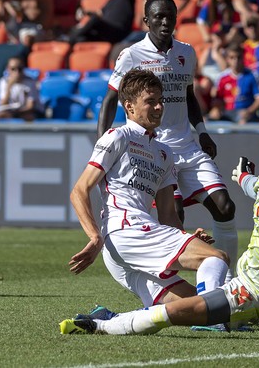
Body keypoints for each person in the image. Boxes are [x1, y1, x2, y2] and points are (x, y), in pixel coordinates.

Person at [59, 126, 259, 335]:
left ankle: (102, 324)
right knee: (188, 303)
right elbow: (254, 187)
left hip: (250, 298)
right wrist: (243, 177)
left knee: (170, 313)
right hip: (250, 280)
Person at [97, 0, 240, 283]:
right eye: (159, 16)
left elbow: (189, 96)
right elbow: (110, 99)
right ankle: (175, 287)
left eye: (170, 16)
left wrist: (202, 132)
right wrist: (103, 146)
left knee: (225, 207)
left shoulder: (186, 52)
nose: (165, 21)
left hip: (187, 146)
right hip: (153, 151)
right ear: (146, 21)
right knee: (172, 217)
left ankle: (229, 283)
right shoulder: (131, 55)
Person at [66, 68, 229, 310]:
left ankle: (105, 320)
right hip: (127, 232)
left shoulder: (165, 153)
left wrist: (185, 237)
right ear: (129, 107)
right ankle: (218, 318)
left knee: (192, 304)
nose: (159, 107)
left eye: (160, 101)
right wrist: (94, 236)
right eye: (150, 102)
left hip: (127, 245)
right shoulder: (117, 137)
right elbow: (79, 190)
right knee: (217, 258)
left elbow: (168, 214)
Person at [67, 0, 137, 45]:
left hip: (118, 31)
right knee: (85, 36)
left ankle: (70, 38)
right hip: (106, 31)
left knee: (94, 20)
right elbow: (99, 13)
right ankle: (72, 36)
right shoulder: (110, 1)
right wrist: (85, 13)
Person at [208, 44, 259, 124]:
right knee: (210, 117)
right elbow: (217, 99)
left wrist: (249, 111)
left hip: (244, 111)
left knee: (243, 122)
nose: (236, 61)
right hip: (226, 112)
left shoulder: (252, 75)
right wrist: (217, 108)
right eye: (232, 58)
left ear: (243, 57)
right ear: (227, 59)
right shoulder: (222, 77)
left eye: (239, 57)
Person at [0, 56, 42, 121]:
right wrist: (9, 87)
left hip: (28, 111)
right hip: (13, 112)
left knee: (29, 117)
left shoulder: (30, 82)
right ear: (8, 69)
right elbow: (3, 103)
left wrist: (17, 112)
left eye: (20, 69)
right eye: (13, 69)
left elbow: (30, 106)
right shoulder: (3, 82)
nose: (17, 72)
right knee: (1, 116)